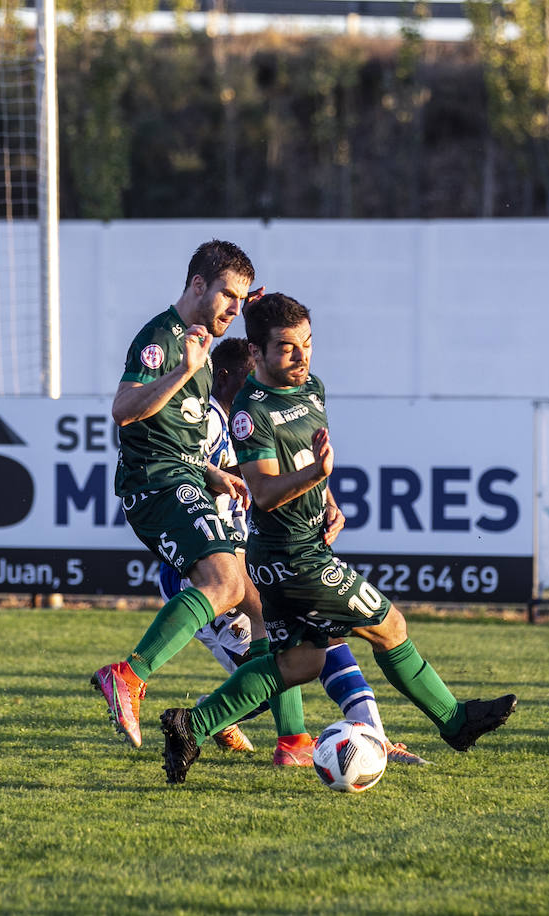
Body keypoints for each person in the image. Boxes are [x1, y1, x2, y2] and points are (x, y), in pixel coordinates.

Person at [158, 292, 517, 784]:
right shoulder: (250, 412)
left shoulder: (313, 390)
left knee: (301, 661)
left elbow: (305, 468)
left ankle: (192, 725)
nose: (302, 356)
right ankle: (455, 721)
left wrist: (325, 499)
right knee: (390, 625)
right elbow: (262, 492)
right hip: (292, 556)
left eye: (307, 344)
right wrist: (317, 475)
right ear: (256, 354)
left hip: (298, 549)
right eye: (287, 349)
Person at [157, 337, 428, 766]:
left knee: (322, 639)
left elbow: (294, 474)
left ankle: (374, 738)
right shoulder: (210, 416)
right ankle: (228, 724)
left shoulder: (263, 417)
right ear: (226, 378)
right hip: (208, 568)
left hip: (256, 560)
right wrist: (223, 474)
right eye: (253, 378)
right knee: (274, 672)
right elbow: (173, 466)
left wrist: (327, 503)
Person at [92, 239, 309, 754]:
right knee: (225, 582)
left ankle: (294, 739)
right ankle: (129, 674)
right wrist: (183, 370)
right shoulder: (162, 339)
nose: (234, 309)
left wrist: (213, 473)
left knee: (263, 601)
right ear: (197, 285)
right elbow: (124, 411)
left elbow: (177, 434)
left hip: (184, 477)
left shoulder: (203, 346)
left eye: (240, 300)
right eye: (227, 296)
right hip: (155, 484)